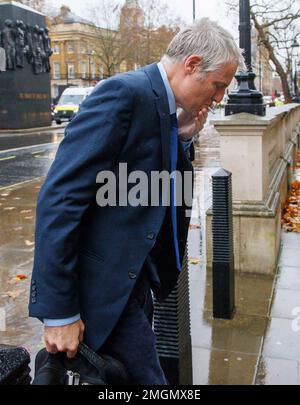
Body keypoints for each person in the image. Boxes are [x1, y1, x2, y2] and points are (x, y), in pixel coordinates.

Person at [29, 18, 245, 385]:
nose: (220, 97)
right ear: (192, 65)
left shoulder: (163, 102)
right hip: (102, 289)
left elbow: (147, 188)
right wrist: (59, 312)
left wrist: (182, 139)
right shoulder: (124, 94)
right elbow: (60, 200)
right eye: (218, 85)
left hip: (135, 284)